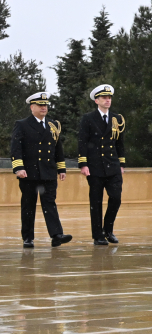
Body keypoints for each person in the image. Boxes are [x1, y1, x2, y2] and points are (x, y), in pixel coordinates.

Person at [11, 92, 72, 248]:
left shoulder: (53, 125)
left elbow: (58, 149)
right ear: (32, 107)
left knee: (49, 203)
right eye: (40, 105)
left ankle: (57, 235)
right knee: (28, 205)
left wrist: (61, 168)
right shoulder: (22, 124)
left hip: (48, 172)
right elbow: (16, 148)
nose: (44, 107)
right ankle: (28, 238)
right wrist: (18, 167)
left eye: (45, 105)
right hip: (29, 173)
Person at [77, 85, 126, 246]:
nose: (107, 100)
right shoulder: (88, 118)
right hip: (95, 166)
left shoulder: (117, 119)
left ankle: (108, 230)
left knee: (116, 198)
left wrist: (121, 163)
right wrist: (83, 163)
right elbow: (83, 142)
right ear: (96, 101)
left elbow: (119, 143)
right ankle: (98, 235)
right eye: (104, 98)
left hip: (113, 165)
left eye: (109, 98)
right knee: (96, 202)